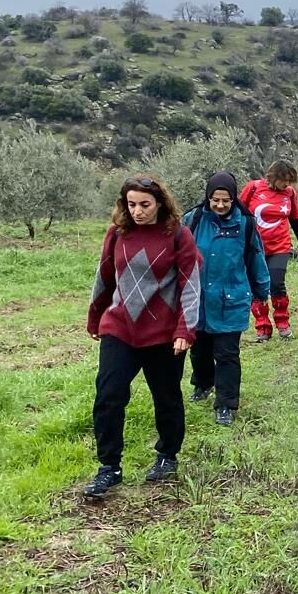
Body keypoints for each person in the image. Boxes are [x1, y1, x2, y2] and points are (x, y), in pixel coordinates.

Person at [83, 175, 201, 499]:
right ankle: (109, 467)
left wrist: (185, 329)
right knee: (108, 395)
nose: (137, 211)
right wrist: (95, 316)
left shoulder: (178, 235)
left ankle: (167, 455)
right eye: (131, 204)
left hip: (164, 334)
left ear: (160, 203)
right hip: (120, 327)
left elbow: (190, 285)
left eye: (144, 204)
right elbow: (104, 276)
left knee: (166, 397)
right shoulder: (117, 233)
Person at [183, 171, 269, 427]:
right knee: (199, 350)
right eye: (215, 200)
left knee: (227, 354)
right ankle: (203, 382)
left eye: (226, 200)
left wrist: (262, 290)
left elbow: (255, 257)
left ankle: (226, 404)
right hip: (198, 300)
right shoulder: (193, 219)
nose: (220, 205)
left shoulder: (246, 223)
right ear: (208, 198)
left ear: (234, 199)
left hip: (232, 299)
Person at [239, 160, 298, 341]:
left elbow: (295, 218)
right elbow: (238, 213)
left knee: (277, 283)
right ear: (273, 176)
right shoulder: (253, 188)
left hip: (280, 246)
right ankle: (262, 327)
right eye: (284, 180)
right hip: (254, 248)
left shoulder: (289, 193)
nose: (287, 184)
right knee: (257, 286)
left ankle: (283, 323)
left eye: (290, 181)